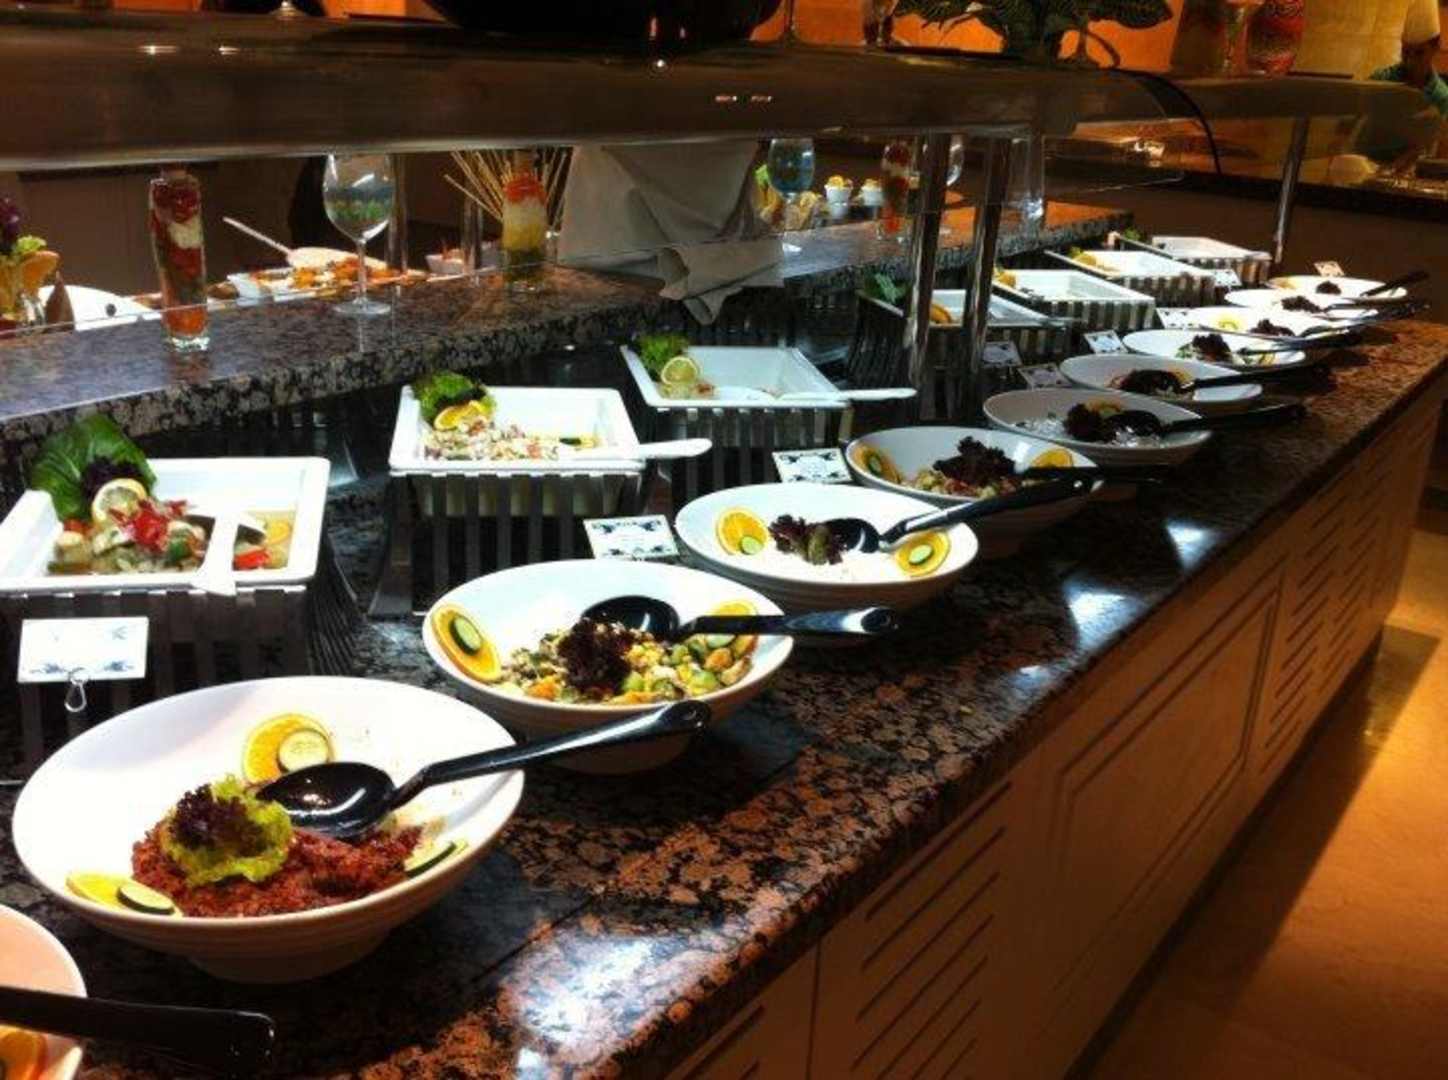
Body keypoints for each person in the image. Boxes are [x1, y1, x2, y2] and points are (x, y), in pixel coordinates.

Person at [1366, 1, 1447, 172]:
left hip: (1407, 174)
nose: (1410, 61)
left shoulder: (1441, 97)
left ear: (1435, 48)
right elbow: (1349, 128)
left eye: (1419, 53)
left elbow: (1430, 148)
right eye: (1405, 52)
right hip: (1368, 168)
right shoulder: (1380, 80)